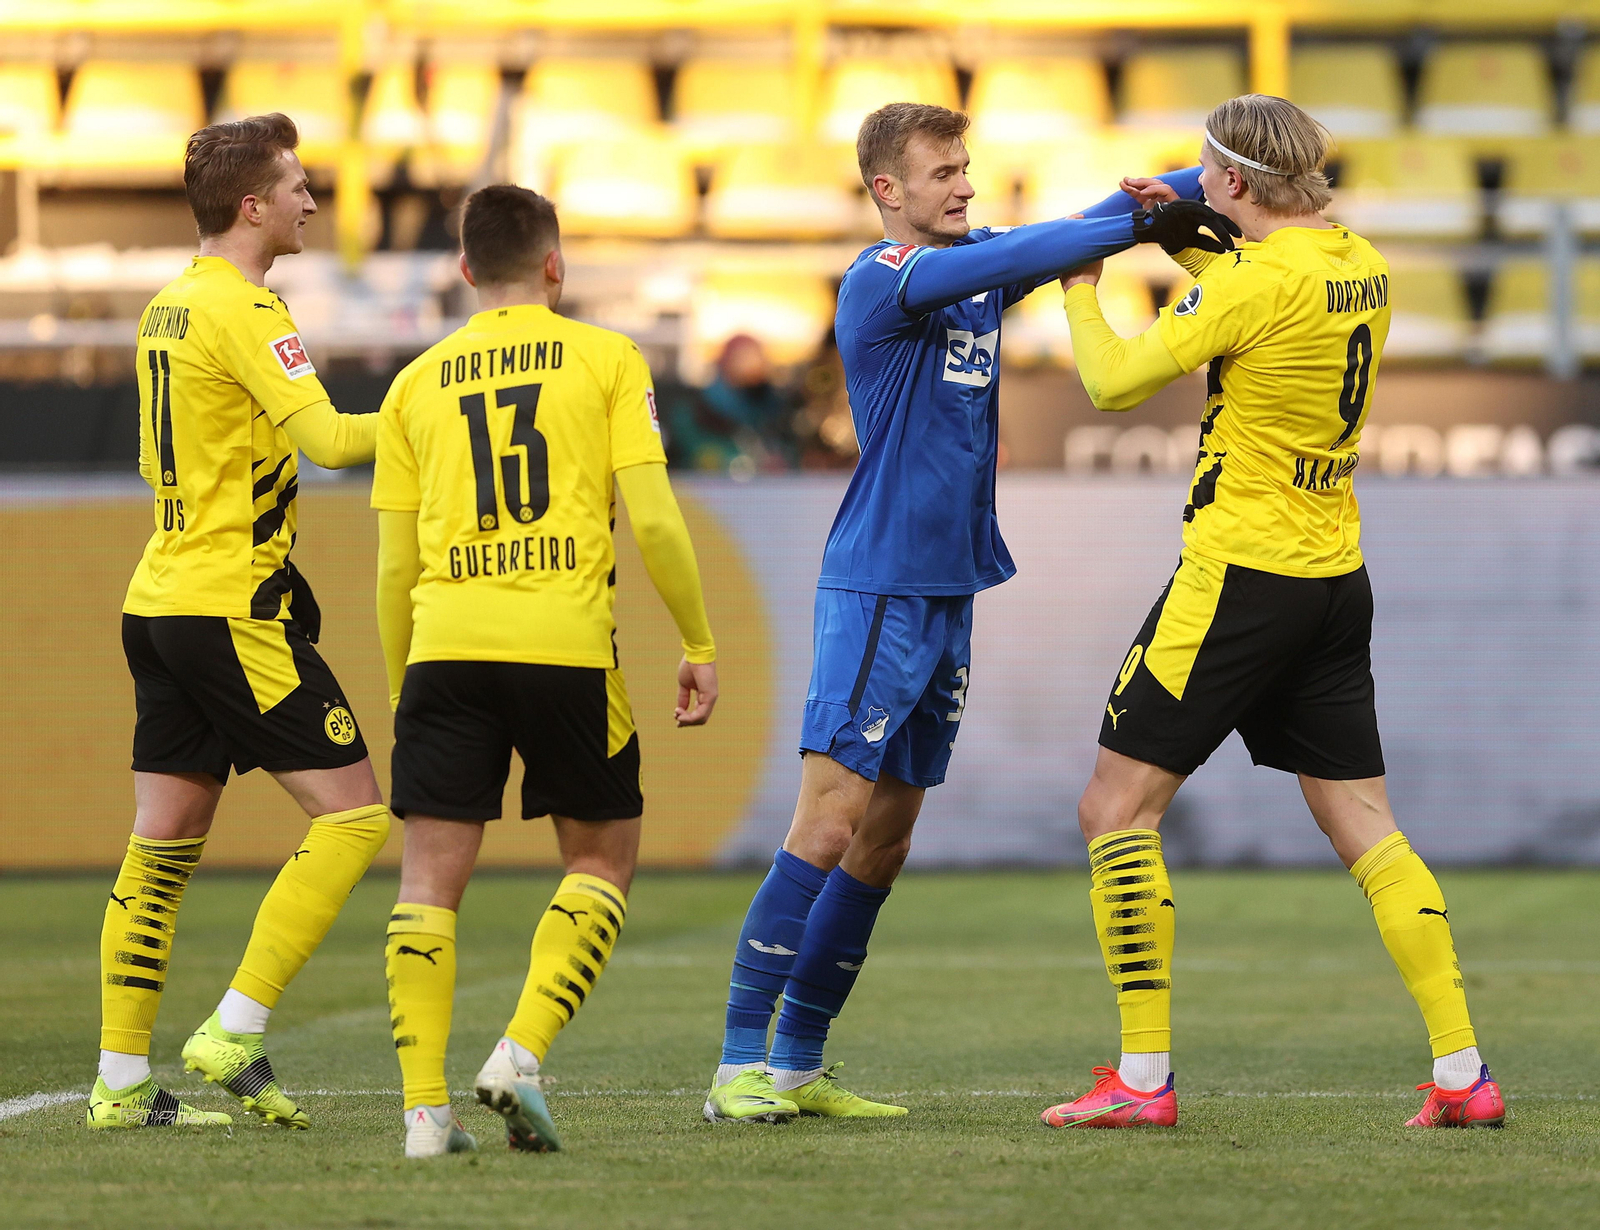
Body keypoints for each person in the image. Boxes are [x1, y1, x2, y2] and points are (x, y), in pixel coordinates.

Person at [701, 101, 1240, 1124]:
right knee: (827, 823)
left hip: (948, 589)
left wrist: (1227, 166)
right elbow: (1057, 240)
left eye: (965, 167)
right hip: (878, 587)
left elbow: (1070, 223)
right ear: (886, 191)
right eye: (941, 172)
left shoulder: (979, 266)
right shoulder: (883, 280)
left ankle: (798, 1066)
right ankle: (736, 1062)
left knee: (885, 841)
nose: (963, 184)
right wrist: (1143, 219)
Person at [1039, 94, 1502, 1131]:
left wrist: (1079, 285)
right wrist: (1186, 229)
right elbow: (1265, 292)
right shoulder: (1359, 261)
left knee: (1113, 812)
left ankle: (1141, 1084)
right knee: (1369, 830)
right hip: (1332, 581)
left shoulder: (1254, 279)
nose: (1202, 185)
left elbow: (1112, 382)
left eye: (1208, 175)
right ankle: (1463, 1074)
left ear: (1239, 183)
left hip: (1237, 580)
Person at [373, 184, 719, 1159]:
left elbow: (393, 567)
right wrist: (697, 643)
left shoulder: (414, 384)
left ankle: (421, 1120)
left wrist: (405, 688)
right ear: (555, 267)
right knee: (601, 861)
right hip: (565, 647)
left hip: (444, 648)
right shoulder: (607, 358)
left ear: (464, 272)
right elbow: (651, 518)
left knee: (427, 888)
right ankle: (519, 1055)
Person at [92, 113, 385, 1131]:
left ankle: (120, 1084)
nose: (313, 201)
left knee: (161, 843)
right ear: (253, 205)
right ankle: (235, 1028)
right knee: (353, 815)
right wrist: (441, 404)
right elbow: (335, 441)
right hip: (228, 608)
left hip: (159, 597)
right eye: (299, 185)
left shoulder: (166, 308)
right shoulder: (250, 311)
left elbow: (161, 460)